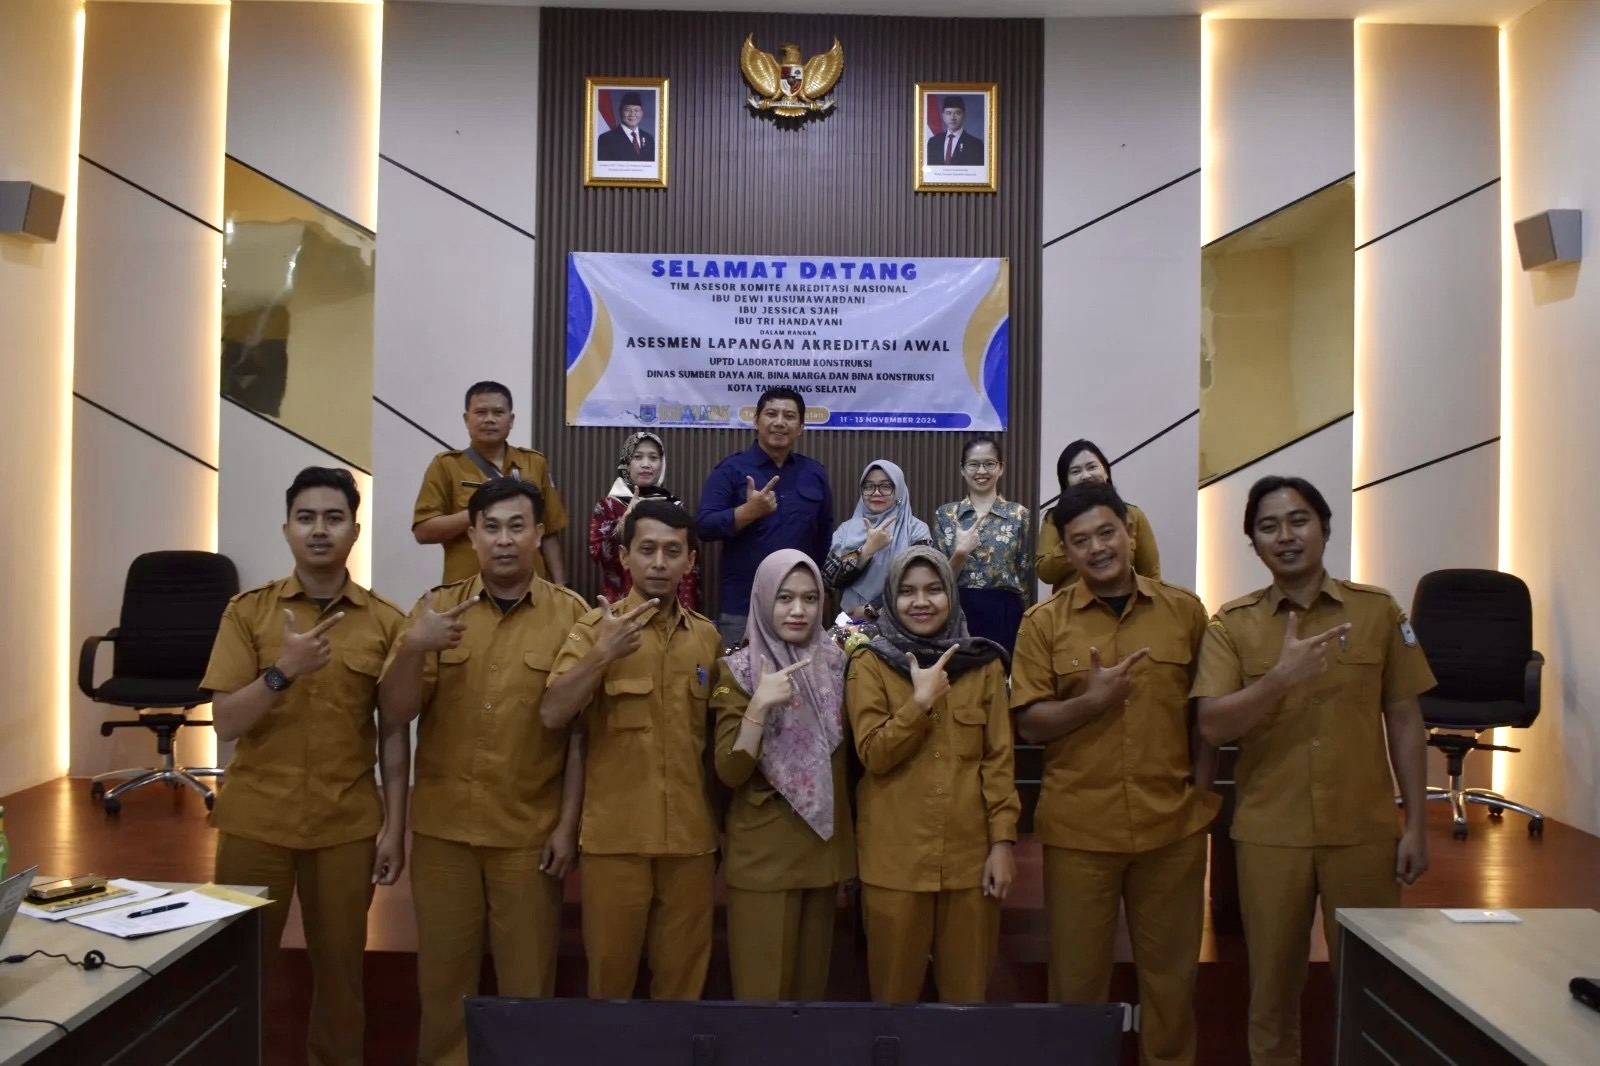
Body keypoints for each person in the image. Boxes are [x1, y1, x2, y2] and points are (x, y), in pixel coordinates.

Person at [1191, 475, 1433, 1066]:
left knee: (1374, 985)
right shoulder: (1232, 623)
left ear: (1325, 527)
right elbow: (1213, 725)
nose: (1285, 536)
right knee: (1272, 991)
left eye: (1298, 520)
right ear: (1253, 544)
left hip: (1363, 828)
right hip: (1271, 833)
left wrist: (1417, 824)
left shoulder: (1377, 611)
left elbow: (1405, 720)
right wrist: (1279, 680)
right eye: (1268, 527)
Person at [379, 478, 590, 1066]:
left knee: (528, 993)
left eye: (517, 527)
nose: (504, 540)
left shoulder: (571, 616)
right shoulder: (434, 609)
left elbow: (581, 735)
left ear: (538, 534)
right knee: (444, 990)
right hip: (444, 832)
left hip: (528, 835)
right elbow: (396, 712)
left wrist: (567, 825)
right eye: (491, 528)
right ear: (471, 536)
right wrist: (414, 647)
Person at [201, 467, 408, 1066]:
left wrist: (395, 827)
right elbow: (225, 722)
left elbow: (394, 733)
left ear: (354, 531)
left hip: (345, 824)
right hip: (255, 821)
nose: (320, 530)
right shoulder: (248, 613)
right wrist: (282, 671)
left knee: (341, 976)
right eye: (307, 518)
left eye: (334, 518)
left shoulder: (385, 621)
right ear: (287, 528)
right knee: (239, 970)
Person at [1011, 481, 1219, 1066]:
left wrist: (1202, 792)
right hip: (1081, 832)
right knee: (1075, 989)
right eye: (1081, 541)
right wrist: (1092, 702)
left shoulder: (1185, 612)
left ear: (1129, 532)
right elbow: (1029, 724)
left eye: (1107, 533)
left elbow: (1206, 715)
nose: (1097, 548)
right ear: (1066, 552)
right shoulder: (1043, 623)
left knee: (1171, 986)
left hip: (1172, 829)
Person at [544, 499, 722, 1000]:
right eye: (647, 550)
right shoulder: (592, 630)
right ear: (624, 556)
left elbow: (717, 742)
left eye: (672, 551)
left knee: (682, 990)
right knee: (610, 987)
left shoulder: (707, 640)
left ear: (690, 561)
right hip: (616, 841)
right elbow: (553, 714)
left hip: (689, 843)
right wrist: (602, 654)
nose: (659, 563)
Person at [846, 545, 1019, 1003]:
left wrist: (1002, 843)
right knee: (893, 1004)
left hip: (970, 863)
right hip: (895, 862)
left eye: (933, 590)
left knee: (966, 1004)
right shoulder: (870, 663)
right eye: (907, 592)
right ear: (890, 597)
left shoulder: (983, 664)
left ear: (951, 595)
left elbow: (998, 762)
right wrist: (918, 704)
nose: (920, 601)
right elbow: (873, 754)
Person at [712, 549, 855, 1000]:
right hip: (763, 858)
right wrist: (757, 706)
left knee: (809, 1000)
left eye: (810, 598)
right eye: (785, 597)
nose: (798, 610)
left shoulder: (839, 666)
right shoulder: (736, 671)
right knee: (763, 1002)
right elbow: (729, 771)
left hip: (822, 853)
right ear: (762, 599)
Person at [698, 387, 834, 650]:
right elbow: (704, 526)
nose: (780, 422)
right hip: (743, 606)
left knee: (802, 674)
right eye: (771, 414)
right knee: (741, 675)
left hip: (799, 608)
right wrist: (747, 513)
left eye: (789, 416)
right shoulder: (731, 470)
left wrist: (821, 590)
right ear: (756, 421)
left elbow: (824, 540)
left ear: (801, 427)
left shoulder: (814, 473)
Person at [413, 380, 569, 586]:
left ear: (511, 420)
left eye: (498, 412)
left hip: (531, 590)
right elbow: (423, 532)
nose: (489, 419)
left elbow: (549, 533)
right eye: (480, 412)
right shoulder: (446, 465)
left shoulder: (534, 463)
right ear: (466, 419)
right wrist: (477, 512)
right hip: (468, 590)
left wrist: (560, 587)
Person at [933, 435, 1030, 654]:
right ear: (962, 469)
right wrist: (960, 553)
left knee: (1003, 670)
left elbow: (1024, 572)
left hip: (1005, 611)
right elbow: (939, 579)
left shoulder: (1019, 514)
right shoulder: (946, 515)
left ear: (1001, 468)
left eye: (989, 464)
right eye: (973, 464)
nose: (981, 471)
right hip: (959, 608)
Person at [589, 430, 699, 610]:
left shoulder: (675, 507)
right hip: (621, 606)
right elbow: (598, 557)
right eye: (638, 457)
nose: (646, 464)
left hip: (668, 608)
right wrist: (622, 527)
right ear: (626, 462)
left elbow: (689, 571)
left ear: (662, 464)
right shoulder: (609, 505)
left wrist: (687, 611)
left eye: (653, 458)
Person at [1036, 438, 1160, 592]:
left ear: (1106, 472)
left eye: (1092, 467)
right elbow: (1045, 574)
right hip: (1071, 606)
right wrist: (1071, 543)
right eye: (1076, 471)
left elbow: (1150, 574)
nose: (1086, 476)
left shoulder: (1133, 515)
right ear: (1066, 481)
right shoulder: (1054, 519)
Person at [824, 460, 932, 619]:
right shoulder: (845, 530)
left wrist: (872, 608)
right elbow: (830, 580)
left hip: (903, 620)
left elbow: (919, 579)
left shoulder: (916, 530)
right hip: (852, 621)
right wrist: (867, 550)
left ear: (899, 491)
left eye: (886, 486)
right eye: (869, 486)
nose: (876, 493)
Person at [926, 94, 985, 166]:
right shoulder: (933, 142)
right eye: (948, 113)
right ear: (943, 116)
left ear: (964, 116)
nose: (952, 118)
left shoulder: (976, 145)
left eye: (957, 113)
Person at [597, 91, 656, 162]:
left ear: (642, 113)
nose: (632, 114)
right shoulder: (606, 139)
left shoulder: (649, 139)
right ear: (620, 111)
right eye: (628, 110)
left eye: (636, 110)